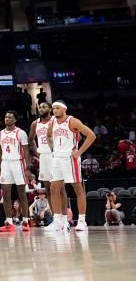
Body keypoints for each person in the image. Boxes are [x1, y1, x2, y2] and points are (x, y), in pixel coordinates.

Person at [47, 100, 96, 233]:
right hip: (57, 158)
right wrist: (53, 148)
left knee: (77, 188)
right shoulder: (52, 122)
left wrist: (79, 152)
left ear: (65, 109)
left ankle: (81, 221)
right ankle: (58, 222)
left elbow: (91, 135)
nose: (55, 110)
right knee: (53, 188)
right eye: (53, 108)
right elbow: (49, 136)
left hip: (70, 159)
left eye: (57, 108)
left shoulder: (73, 121)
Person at [0, 111, 30, 234]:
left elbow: (26, 152)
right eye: (6, 117)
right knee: (5, 192)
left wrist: (28, 168)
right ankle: (9, 222)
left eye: (10, 117)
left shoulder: (21, 133)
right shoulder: (0, 134)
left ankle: (25, 221)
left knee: (21, 193)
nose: (7, 118)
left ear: (15, 120)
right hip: (5, 163)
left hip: (18, 163)